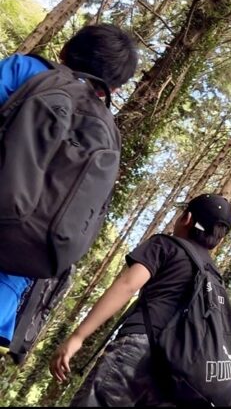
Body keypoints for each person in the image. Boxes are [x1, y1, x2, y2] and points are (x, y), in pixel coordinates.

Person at [0, 24, 138, 356]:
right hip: (16, 273)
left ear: (66, 50)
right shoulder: (107, 135)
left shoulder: (27, 71)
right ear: (113, 88)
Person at [50, 194, 231, 407]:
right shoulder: (214, 276)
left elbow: (127, 285)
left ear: (186, 218)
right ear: (219, 237)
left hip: (137, 351)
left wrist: (78, 337)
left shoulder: (165, 245)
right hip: (176, 375)